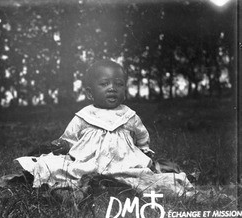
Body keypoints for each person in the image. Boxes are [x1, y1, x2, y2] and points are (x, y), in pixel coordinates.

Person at [15, 60, 193, 195]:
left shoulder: (129, 116)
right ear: (90, 93)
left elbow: (142, 138)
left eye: (118, 84)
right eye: (104, 84)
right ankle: (74, 190)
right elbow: (69, 139)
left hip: (123, 163)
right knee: (65, 170)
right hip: (89, 163)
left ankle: (108, 187)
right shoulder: (84, 116)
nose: (112, 88)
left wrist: (145, 154)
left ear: (124, 89)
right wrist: (62, 151)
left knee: (140, 178)